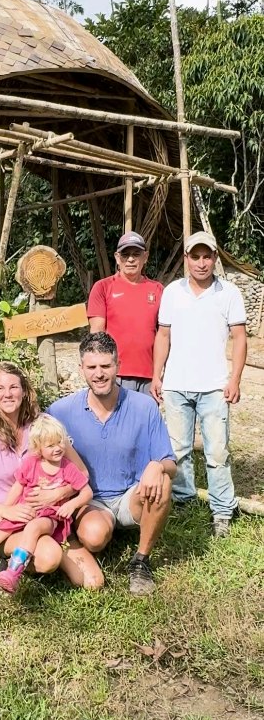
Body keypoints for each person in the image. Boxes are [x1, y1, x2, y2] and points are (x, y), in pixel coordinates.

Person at [0, 362, 104, 594]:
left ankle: (38, 550)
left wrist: (59, 493)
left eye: (13, 387)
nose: (7, 394)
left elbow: (81, 473)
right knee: (49, 556)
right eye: (0, 389)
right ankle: (5, 570)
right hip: (2, 521)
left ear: (24, 390)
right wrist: (5, 511)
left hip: (46, 516)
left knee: (93, 582)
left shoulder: (43, 426)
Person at [48, 332, 176, 596]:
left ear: (118, 365)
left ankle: (141, 561)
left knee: (163, 480)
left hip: (132, 495)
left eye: (106, 366)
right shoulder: (60, 411)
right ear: (82, 368)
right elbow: (30, 437)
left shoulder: (144, 407)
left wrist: (158, 466)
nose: (99, 374)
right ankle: (93, 533)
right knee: (94, 537)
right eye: (92, 367)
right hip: (90, 499)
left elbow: (171, 463)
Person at [151, 231, 247, 538]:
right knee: (178, 450)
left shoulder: (228, 292)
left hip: (214, 386)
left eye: (207, 257)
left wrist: (235, 378)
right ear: (186, 259)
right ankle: (184, 501)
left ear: (215, 258)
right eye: (196, 257)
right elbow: (163, 335)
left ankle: (222, 511)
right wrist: (157, 374)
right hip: (176, 384)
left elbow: (240, 338)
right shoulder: (172, 292)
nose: (201, 263)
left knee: (217, 452)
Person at [0, 414, 93, 596]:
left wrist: (71, 504)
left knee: (34, 527)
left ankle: (13, 573)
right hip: (25, 511)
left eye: (60, 442)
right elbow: (17, 488)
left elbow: (87, 492)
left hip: (49, 516)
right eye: (50, 445)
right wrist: (2, 512)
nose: (57, 448)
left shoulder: (67, 467)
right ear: (38, 448)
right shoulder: (31, 463)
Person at [87, 231, 163, 394]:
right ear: (117, 257)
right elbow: (97, 333)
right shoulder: (103, 287)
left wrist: (159, 374)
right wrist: (100, 372)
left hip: (149, 376)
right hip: (115, 373)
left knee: (146, 412)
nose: (130, 259)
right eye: (125, 254)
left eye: (136, 254)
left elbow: (164, 335)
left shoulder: (157, 290)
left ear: (145, 257)